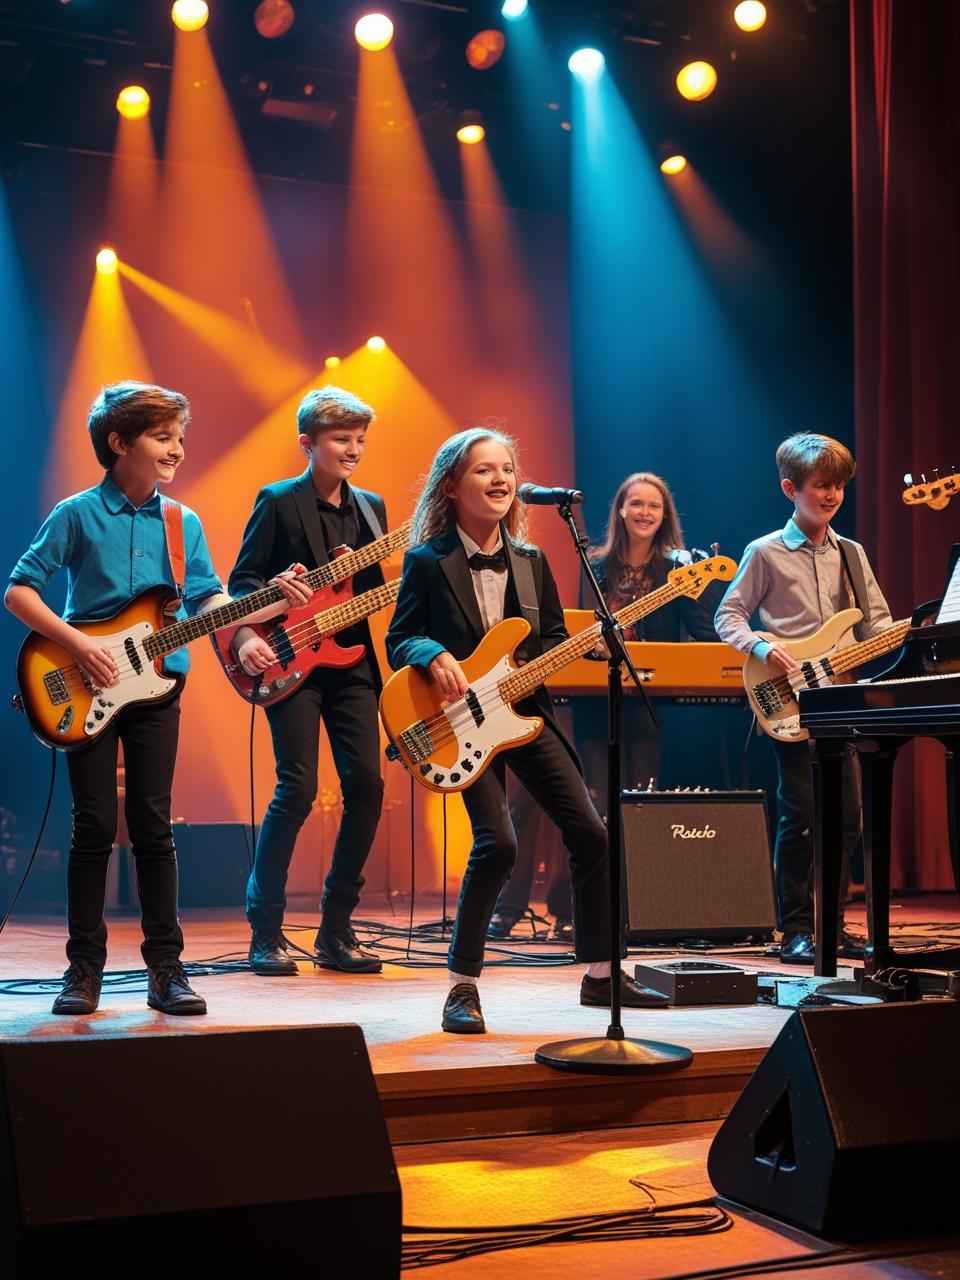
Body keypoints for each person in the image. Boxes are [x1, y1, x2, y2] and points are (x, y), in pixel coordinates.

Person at [5, 380, 307, 1016]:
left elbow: (207, 597)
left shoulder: (182, 522)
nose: (177, 450)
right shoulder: (76, 513)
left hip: (158, 687)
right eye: (163, 437)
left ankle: (166, 970)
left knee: (153, 827)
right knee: (92, 827)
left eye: (180, 438)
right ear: (119, 443)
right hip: (84, 684)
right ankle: (82, 971)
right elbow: (19, 591)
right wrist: (78, 644)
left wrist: (259, 614)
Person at [385, 427, 668, 1033]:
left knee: (592, 834)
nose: (501, 479)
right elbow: (399, 638)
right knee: (499, 845)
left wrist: (590, 646)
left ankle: (601, 974)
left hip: (526, 712)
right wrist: (433, 653)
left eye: (507, 469)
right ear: (451, 487)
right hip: (460, 722)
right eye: (484, 469)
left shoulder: (532, 560)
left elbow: (550, 640)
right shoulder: (427, 560)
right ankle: (462, 987)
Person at [714, 433, 893, 965]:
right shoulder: (765, 551)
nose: (832, 494)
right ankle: (794, 928)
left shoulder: (852, 555)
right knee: (802, 814)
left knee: (848, 819)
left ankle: (830, 926)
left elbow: (878, 626)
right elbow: (728, 615)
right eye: (821, 485)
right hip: (787, 700)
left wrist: (913, 631)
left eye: (839, 485)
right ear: (790, 488)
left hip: (841, 701)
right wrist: (762, 646)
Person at [229, 387, 387, 977]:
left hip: (354, 663)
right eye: (342, 439)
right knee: (296, 789)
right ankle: (265, 929)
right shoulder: (277, 500)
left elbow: (373, 591)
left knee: (366, 787)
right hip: (289, 656)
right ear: (307, 443)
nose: (354, 449)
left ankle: (336, 928)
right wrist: (268, 601)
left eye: (360, 440)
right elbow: (241, 581)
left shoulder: (372, 508)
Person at [578, 471, 724, 810]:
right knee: (599, 800)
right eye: (636, 504)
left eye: (654, 506)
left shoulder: (677, 567)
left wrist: (703, 588)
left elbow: (706, 629)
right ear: (621, 510)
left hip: (651, 696)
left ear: (664, 514)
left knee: (643, 799)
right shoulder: (595, 564)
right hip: (598, 693)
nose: (645, 512)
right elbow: (584, 628)